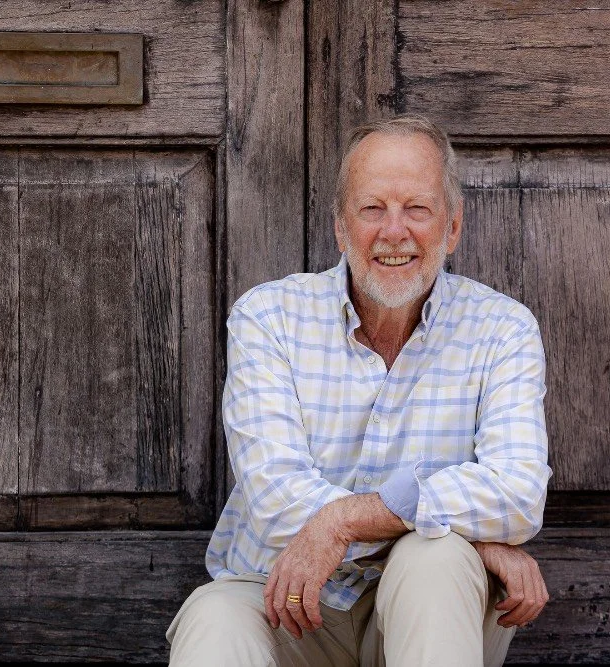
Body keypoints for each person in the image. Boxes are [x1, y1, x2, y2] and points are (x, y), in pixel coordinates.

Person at [166, 114, 553, 666]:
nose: (394, 231)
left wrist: (344, 520)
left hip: (424, 608)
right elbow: (278, 502)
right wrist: (482, 536)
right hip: (287, 600)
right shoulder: (269, 317)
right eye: (373, 209)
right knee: (213, 618)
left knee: (435, 562)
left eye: (416, 208)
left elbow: (518, 494)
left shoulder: (502, 328)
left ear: (453, 227)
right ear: (341, 228)